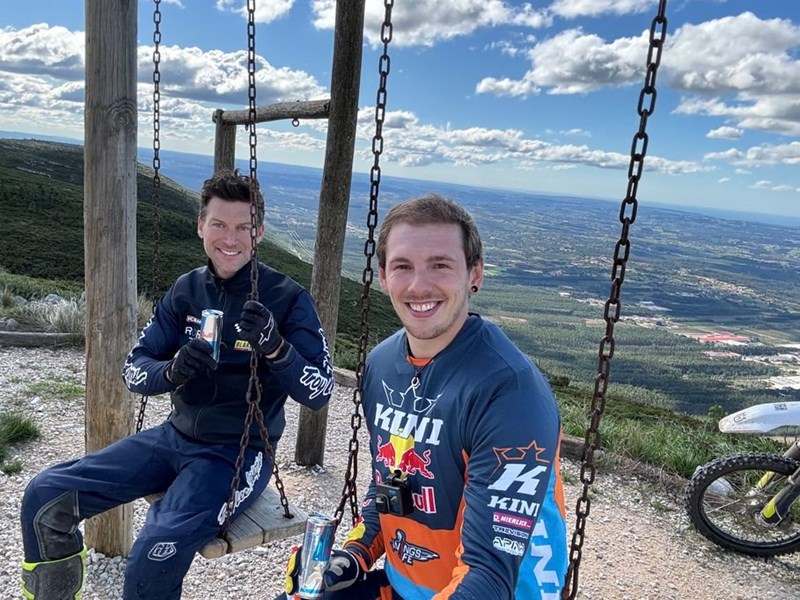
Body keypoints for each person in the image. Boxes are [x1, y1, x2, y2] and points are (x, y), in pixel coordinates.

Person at [20, 169, 334, 600]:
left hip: (236, 454)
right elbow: (134, 368)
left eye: (243, 227)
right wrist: (172, 372)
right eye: (219, 224)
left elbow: (319, 393)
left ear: (258, 231)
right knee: (45, 496)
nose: (231, 238)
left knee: (155, 552)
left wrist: (277, 349)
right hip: (173, 437)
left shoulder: (288, 298)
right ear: (201, 225)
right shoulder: (186, 289)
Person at [281, 193, 567, 599]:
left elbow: (490, 575)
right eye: (403, 266)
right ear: (383, 276)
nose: (419, 285)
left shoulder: (510, 392)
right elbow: (394, 486)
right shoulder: (382, 365)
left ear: (475, 274)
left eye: (440, 265)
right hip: (407, 586)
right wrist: (355, 555)